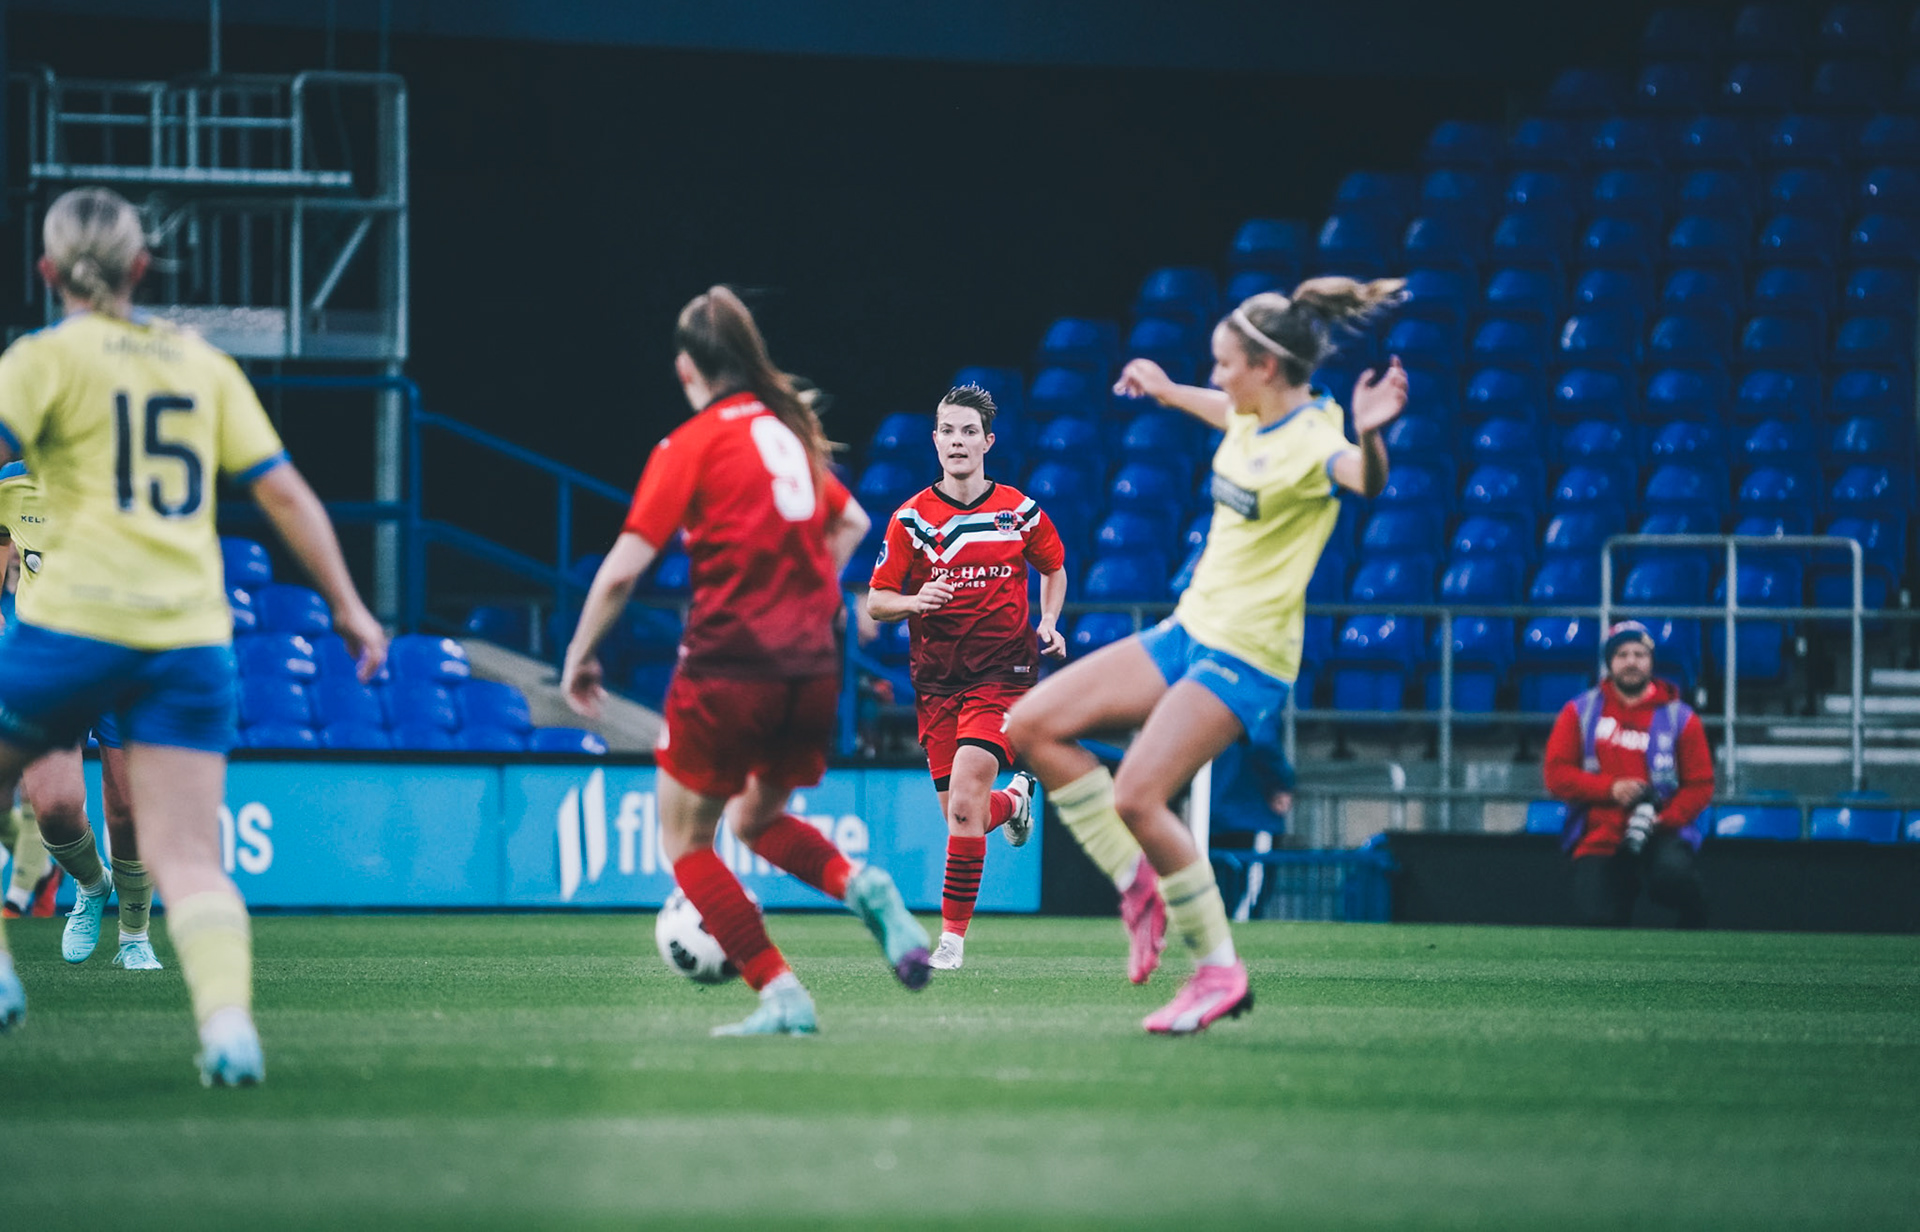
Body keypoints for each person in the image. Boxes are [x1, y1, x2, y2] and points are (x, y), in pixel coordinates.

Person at [0, 187, 387, 1080]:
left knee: (111, 814)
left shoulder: (41, 359)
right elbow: (282, 491)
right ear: (142, 268)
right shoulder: (200, 363)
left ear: (48, 272)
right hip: (185, 636)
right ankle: (228, 1028)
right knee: (189, 855)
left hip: (76, 625)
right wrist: (348, 605)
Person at [1007, 280, 1407, 1034]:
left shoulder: (1317, 441)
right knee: (1030, 725)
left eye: (1225, 364)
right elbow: (1224, 411)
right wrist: (1165, 391)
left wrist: (1373, 435)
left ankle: (1220, 972)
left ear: (1264, 367)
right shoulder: (1251, 415)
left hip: (1246, 652)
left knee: (1137, 795)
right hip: (1189, 629)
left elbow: (1364, 478)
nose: (1217, 376)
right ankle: (1138, 883)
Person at [563, 285, 931, 1037]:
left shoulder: (691, 444)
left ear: (686, 370)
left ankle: (782, 995)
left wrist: (580, 653)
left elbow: (624, 570)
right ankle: (865, 887)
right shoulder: (787, 435)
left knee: (685, 843)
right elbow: (853, 520)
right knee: (756, 818)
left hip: (731, 665)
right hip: (813, 667)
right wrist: (810, 594)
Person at [866, 382, 1065, 971]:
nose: (958, 441)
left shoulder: (1018, 511)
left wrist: (1049, 620)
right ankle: (1016, 800)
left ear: (987, 442)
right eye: (948, 431)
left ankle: (950, 943)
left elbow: (1054, 567)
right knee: (965, 816)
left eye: (969, 432)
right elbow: (877, 601)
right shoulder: (910, 520)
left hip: (1004, 675)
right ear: (935, 441)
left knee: (963, 804)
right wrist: (914, 601)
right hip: (937, 684)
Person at [0, 460, 159, 968]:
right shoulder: (13, 483)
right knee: (54, 806)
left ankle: (134, 937)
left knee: (129, 808)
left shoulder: (138, 480)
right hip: (48, 666)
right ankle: (91, 884)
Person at [1542, 621, 1712, 928]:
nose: (1631, 661)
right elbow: (1556, 774)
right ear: (1609, 662)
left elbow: (1700, 785)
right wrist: (1610, 789)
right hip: (1601, 832)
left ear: (1651, 661)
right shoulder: (1579, 712)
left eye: (1639, 654)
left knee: (1673, 878)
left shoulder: (1681, 717)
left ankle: (1696, 912)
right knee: (1596, 918)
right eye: (1622, 654)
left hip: (1664, 830)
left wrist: (1665, 818)